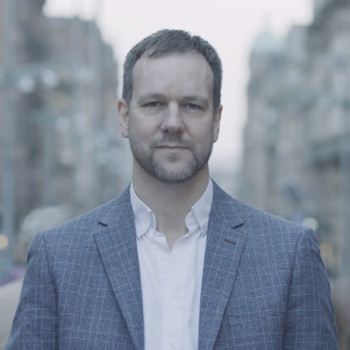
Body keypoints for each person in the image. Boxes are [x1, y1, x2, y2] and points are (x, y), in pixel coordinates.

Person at [6, 29, 338, 350]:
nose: (173, 122)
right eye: (154, 104)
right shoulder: (58, 258)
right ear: (124, 117)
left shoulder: (289, 255)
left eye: (192, 106)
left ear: (217, 121)